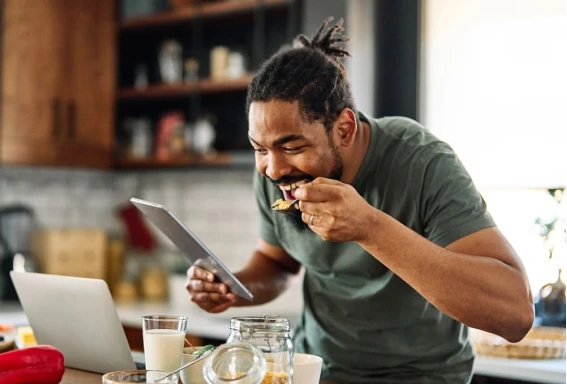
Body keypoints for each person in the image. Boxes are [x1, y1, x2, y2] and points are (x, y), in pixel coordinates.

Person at [186, 17, 534, 383]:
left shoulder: (423, 161)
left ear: (345, 128)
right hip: (316, 371)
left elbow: (515, 314)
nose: (272, 168)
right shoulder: (279, 172)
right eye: (260, 149)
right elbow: (278, 263)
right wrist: (232, 288)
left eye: (291, 146)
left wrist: (369, 226)